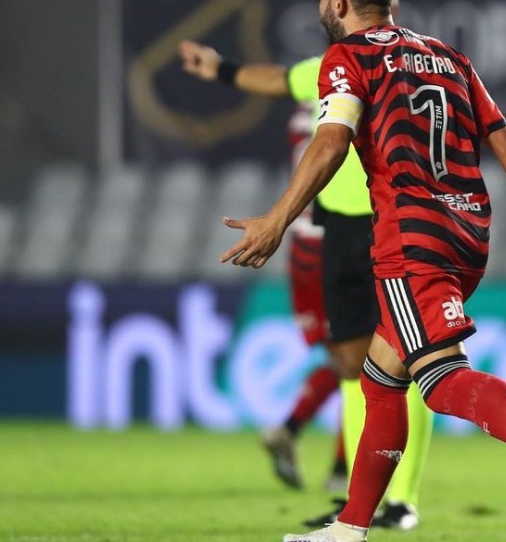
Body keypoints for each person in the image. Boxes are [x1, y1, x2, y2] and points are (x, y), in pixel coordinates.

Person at [218, 0, 506, 541]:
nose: (322, 4)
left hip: (409, 235)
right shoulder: (448, 58)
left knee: (441, 379)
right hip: (467, 232)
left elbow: (329, 142)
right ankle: (350, 528)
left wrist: (277, 218)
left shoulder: (346, 58)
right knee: (380, 379)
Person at [180, 33, 433, 528]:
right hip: (335, 225)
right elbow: (278, 79)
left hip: (390, 220)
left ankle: (402, 500)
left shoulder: (411, 66)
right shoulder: (325, 67)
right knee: (351, 364)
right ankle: (366, 499)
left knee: (403, 360)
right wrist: (222, 69)